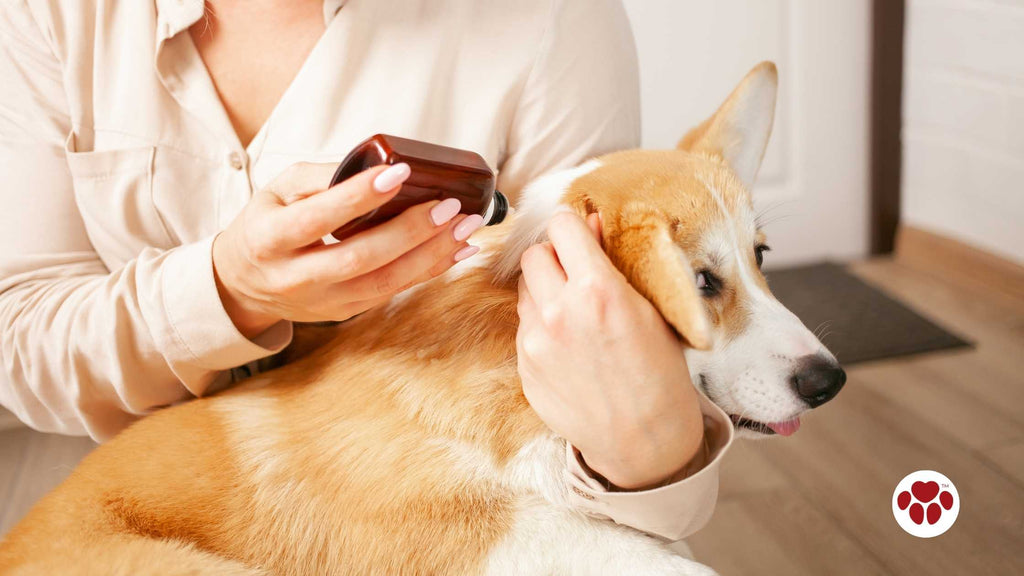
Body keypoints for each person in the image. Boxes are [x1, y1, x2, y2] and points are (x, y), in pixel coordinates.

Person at [0, 0, 732, 542]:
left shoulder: (553, 22)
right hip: (126, 513)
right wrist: (228, 290)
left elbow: (615, 391)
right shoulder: (48, 15)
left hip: (437, 515)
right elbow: (19, 338)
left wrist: (654, 455)